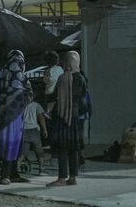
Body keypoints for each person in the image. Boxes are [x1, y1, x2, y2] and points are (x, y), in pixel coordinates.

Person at [47, 51, 86, 187]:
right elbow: (82, 97)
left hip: (62, 116)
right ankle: (73, 177)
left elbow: (54, 95)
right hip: (74, 117)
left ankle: (62, 178)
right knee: (73, 148)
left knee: (62, 147)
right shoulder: (81, 78)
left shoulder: (63, 78)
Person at [0, 50, 32, 185]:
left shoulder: (4, 71)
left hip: (7, 112)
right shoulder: (18, 73)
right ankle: (5, 175)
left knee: (12, 142)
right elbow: (24, 91)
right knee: (12, 142)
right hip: (14, 113)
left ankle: (12, 174)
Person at [20, 91, 48, 175]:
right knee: (39, 151)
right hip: (34, 131)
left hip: (23, 130)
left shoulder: (21, 105)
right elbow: (41, 118)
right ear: (33, 96)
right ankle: (41, 169)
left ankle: (16, 169)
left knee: (23, 153)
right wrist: (45, 129)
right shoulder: (36, 105)